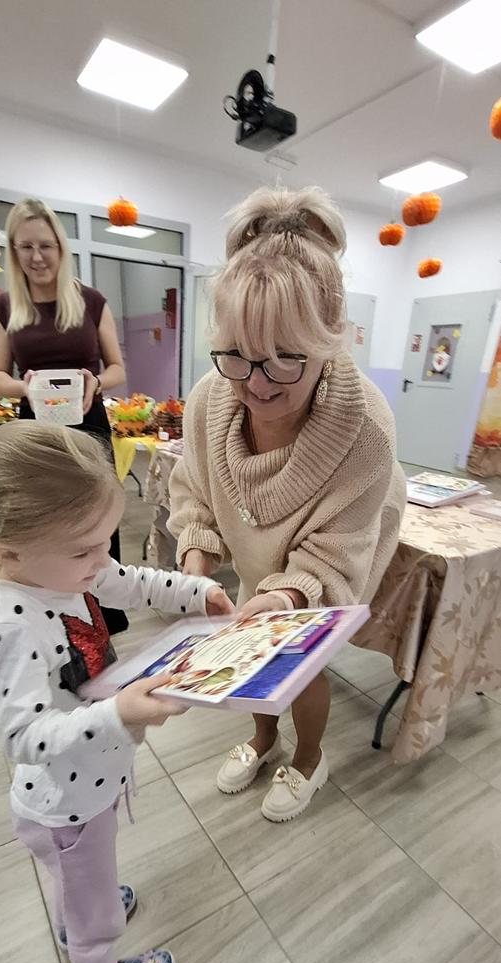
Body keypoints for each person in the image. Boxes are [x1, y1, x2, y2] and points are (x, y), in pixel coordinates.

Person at [0, 422, 233, 963]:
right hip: (68, 805)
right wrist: (117, 714)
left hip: (86, 784)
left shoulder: (61, 569)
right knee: (94, 904)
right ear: (9, 549)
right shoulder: (12, 622)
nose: (101, 559)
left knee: (77, 883)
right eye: (85, 549)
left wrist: (195, 592)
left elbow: (129, 581)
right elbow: (20, 736)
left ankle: (75, 914)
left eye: (104, 541)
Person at [169, 186, 407, 823]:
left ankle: (308, 758)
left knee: (300, 662)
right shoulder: (210, 397)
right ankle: (262, 738)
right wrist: (195, 561)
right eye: (237, 356)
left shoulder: (366, 430)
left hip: (331, 562)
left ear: (329, 342)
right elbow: (195, 486)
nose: (255, 383)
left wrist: (283, 601)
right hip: (258, 552)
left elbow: (333, 554)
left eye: (282, 361)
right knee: (252, 657)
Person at [0, 196, 128, 635]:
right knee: (44, 520)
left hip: (89, 427)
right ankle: (54, 613)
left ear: (61, 248)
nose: (36, 257)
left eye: (45, 246)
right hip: (36, 432)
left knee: (97, 517)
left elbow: (117, 369)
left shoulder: (91, 301)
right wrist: (25, 387)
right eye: (25, 247)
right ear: (14, 251)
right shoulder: (6, 307)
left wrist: (95, 382)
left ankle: (104, 614)